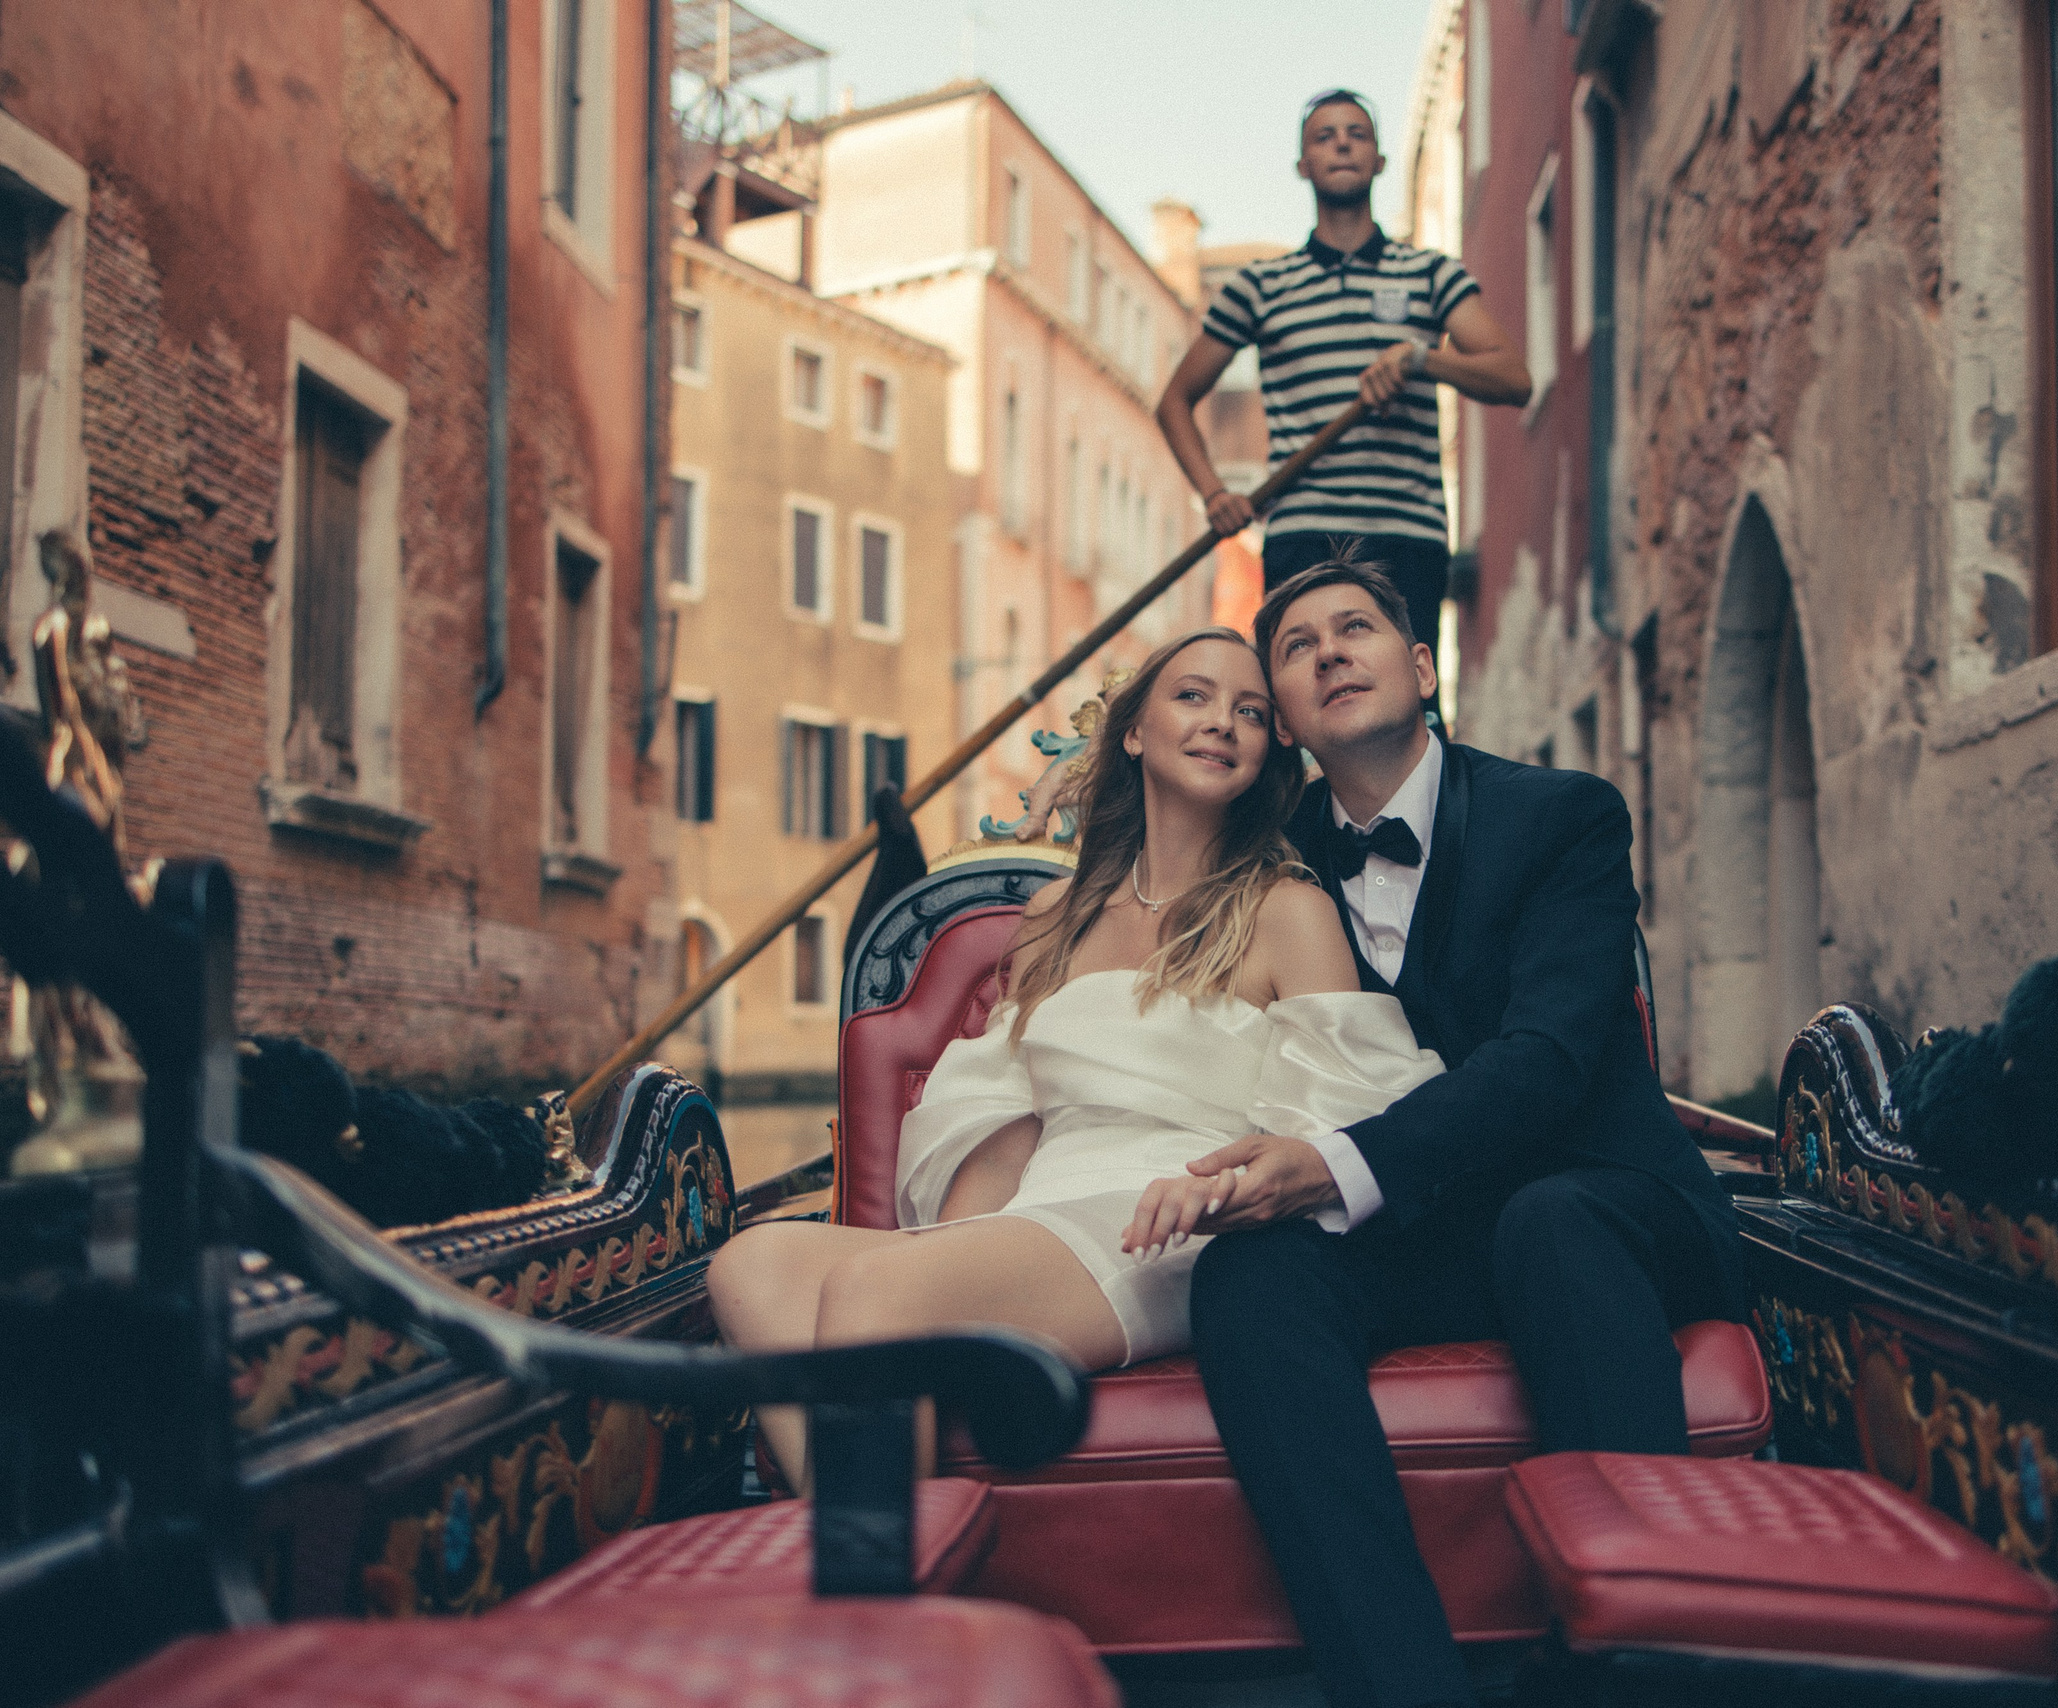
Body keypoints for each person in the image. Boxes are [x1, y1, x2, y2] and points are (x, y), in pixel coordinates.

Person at [1165, 558, 1750, 1708]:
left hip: (1607, 1204)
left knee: (1552, 1219)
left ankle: (1628, 1667)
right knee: (1252, 1273)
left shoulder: (1562, 817)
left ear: (1421, 666)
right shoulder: (1266, 861)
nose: (1330, 652)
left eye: (1356, 629)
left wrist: (1331, 1164)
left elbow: (1545, 1066)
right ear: (1281, 715)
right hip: (1437, 1232)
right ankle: (1397, 1683)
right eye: (1297, 647)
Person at [704, 627, 1442, 1492]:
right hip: (1047, 1209)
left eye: (1250, 711)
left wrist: (1230, 1194)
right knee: (751, 1266)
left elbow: (1350, 1107)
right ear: (1132, 732)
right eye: (1193, 696)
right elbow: (999, 1098)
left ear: (1266, 754)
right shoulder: (1060, 911)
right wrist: (960, 1246)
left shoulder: (1285, 908)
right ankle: (886, 1552)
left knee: (876, 1297)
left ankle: (876, 1588)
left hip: (1170, 1223)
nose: (1224, 723)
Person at [1156, 89, 1530, 699]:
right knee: (1301, 707)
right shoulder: (1262, 287)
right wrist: (1214, 493)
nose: (1342, 145)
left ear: (1379, 160)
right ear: (1302, 164)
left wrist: (1421, 359)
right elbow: (1174, 402)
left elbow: (1513, 377)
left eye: (1356, 133)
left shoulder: (1430, 274)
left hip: (1407, 531)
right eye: (1324, 136)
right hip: (1304, 530)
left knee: (1411, 706)